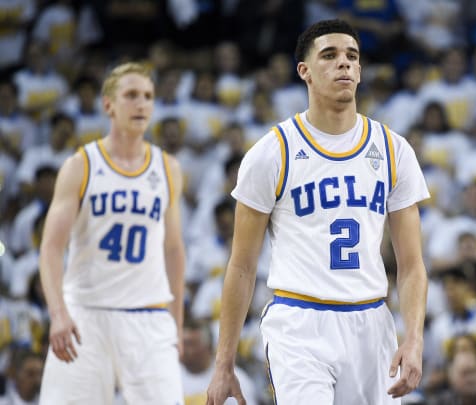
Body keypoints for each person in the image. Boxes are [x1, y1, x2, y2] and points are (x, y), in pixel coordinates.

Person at [206, 19, 430, 405]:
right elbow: (241, 267)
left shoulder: (394, 150)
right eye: (329, 55)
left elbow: (411, 265)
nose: (343, 63)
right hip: (299, 321)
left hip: (372, 320)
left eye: (352, 56)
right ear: (304, 72)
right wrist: (224, 363)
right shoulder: (271, 152)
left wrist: (413, 339)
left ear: (359, 71)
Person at [37, 62, 186, 404]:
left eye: (148, 96)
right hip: (85, 314)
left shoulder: (167, 168)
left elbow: (174, 250)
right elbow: (50, 248)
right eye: (131, 95)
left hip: (148, 315)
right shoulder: (80, 165)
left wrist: (176, 321)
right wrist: (58, 313)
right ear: (108, 105)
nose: (142, 104)